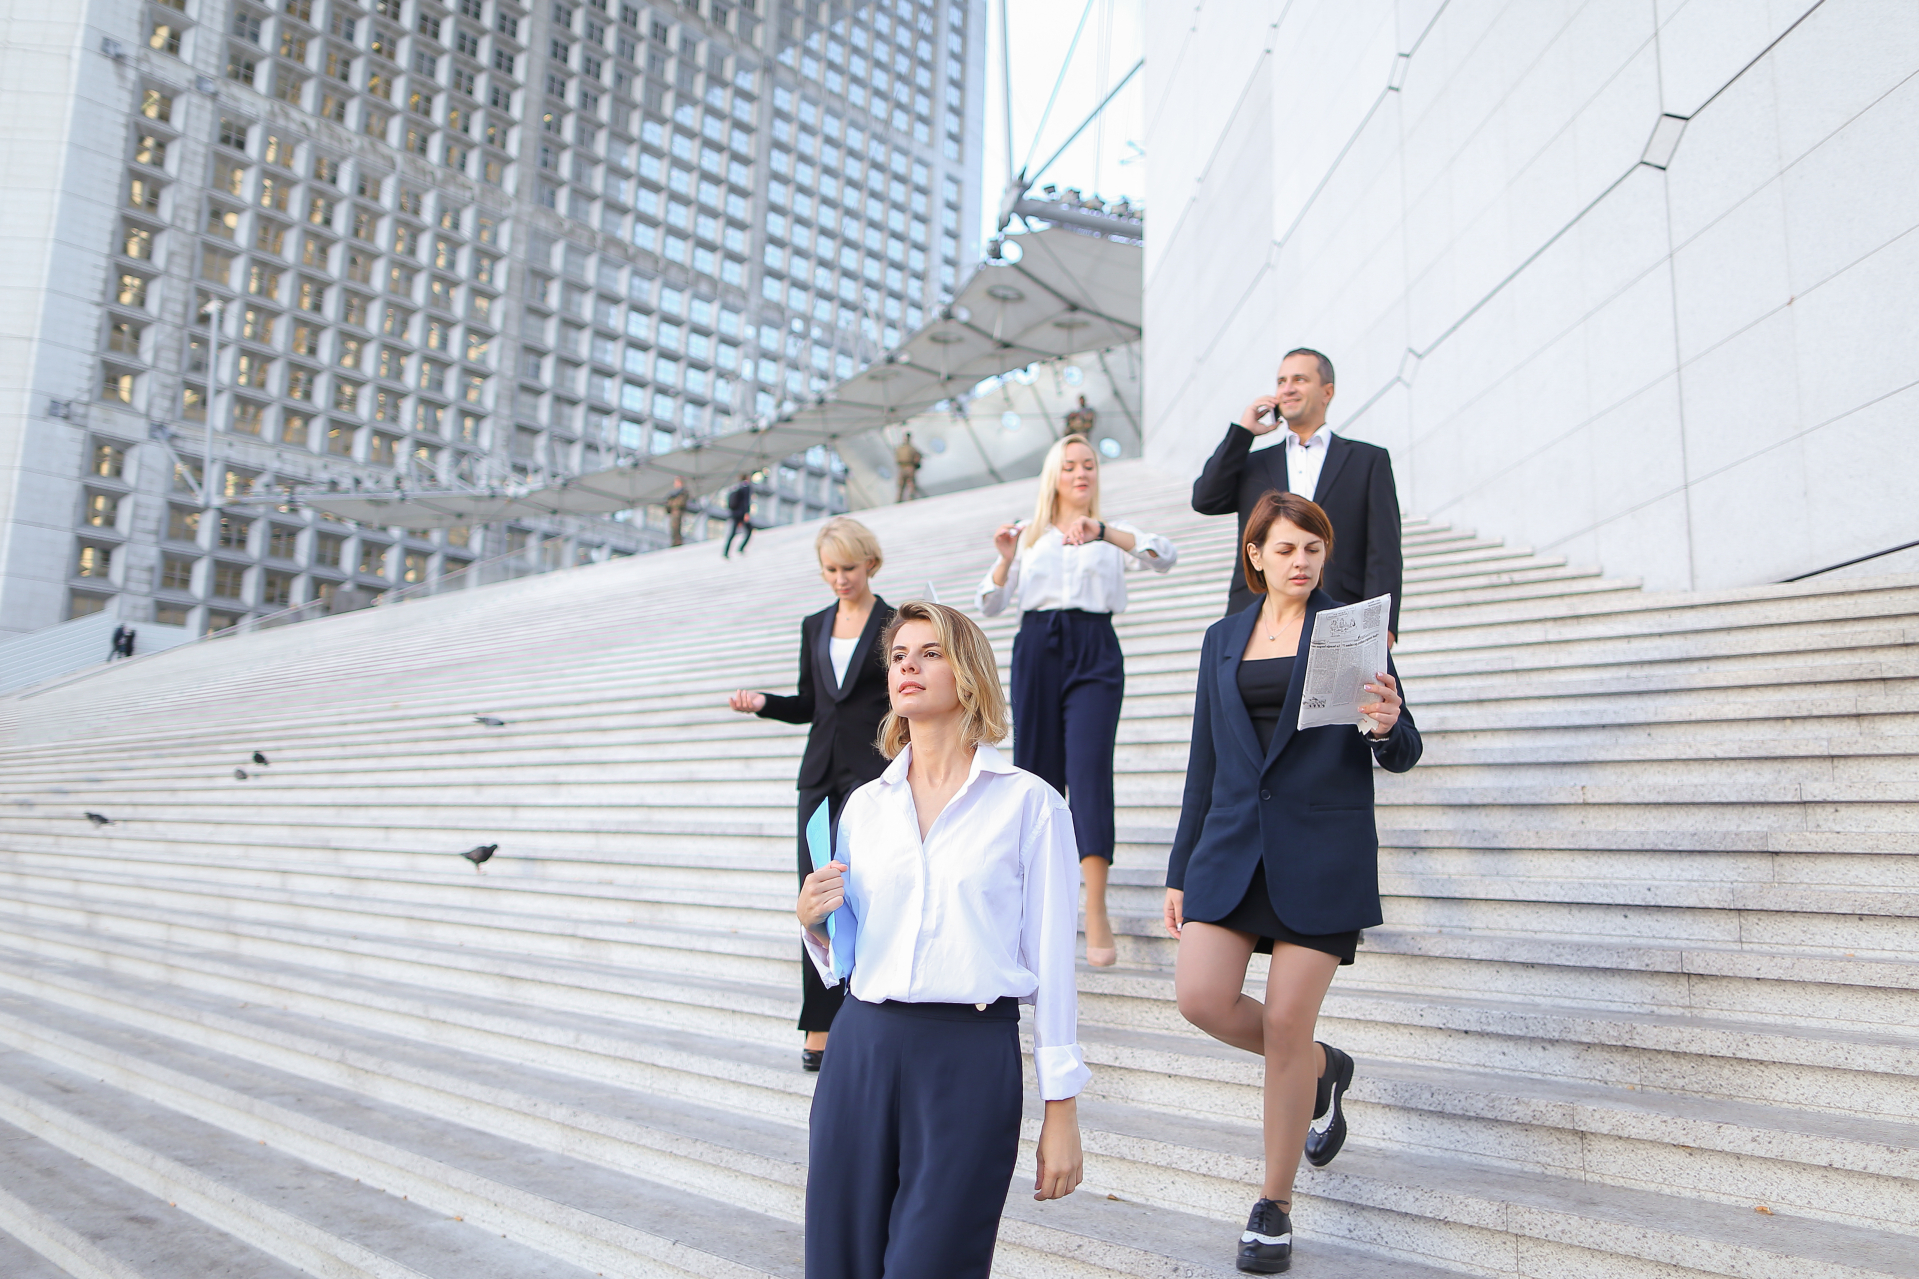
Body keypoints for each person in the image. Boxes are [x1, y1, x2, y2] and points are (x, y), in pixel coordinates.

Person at [1163, 491, 1421, 1274]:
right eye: (1285, 549)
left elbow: (1404, 745)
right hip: (1231, 845)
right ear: (1255, 555)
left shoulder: (1351, 632)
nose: (1301, 562)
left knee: (1282, 1022)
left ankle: (1271, 1205)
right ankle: (1320, 1067)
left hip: (1321, 849)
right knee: (1199, 997)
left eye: (1312, 548)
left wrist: (1384, 725)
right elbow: (1204, 759)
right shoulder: (1221, 637)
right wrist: (1180, 870)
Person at [797, 600, 1086, 1277]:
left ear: (967, 672)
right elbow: (849, 953)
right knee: (839, 1263)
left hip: (968, 1056)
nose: (908, 665)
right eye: (899, 655)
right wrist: (811, 920)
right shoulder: (864, 807)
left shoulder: (1029, 804)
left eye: (928, 653)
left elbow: (1053, 965)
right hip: (860, 1049)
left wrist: (1061, 1107)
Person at [979, 432, 1177, 967]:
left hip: (1095, 648)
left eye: (1088, 463)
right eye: (1069, 465)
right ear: (1055, 474)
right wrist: (1003, 558)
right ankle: (1032, 905)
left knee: (1089, 771)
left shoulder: (1113, 534)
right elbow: (992, 602)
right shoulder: (1028, 534)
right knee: (1036, 774)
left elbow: (1166, 555)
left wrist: (1105, 533)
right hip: (1037, 646)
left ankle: (1095, 909)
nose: (1080, 472)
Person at [728, 518, 893, 1071]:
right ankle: (819, 1020)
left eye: (848, 568)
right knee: (816, 895)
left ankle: (867, 1004)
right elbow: (811, 702)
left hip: (874, 771)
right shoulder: (814, 624)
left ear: (869, 561)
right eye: (830, 570)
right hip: (820, 774)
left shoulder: (895, 623)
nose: (840, 579)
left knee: (868, 890)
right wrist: (764, 703)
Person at [1192, 348, 1404, 639]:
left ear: (1326, 391)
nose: (1287, 389)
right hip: (1258, 614)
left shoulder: (1367, 460)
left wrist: (1385, 626)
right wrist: (1242, 433)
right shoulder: (1254, 464)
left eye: (1299, 379)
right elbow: (1205, 498)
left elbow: (1385, 551)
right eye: (1281, 382)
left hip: (1342, 615)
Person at [723, 473, 754, 557]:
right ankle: (741, 548)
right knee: (749, 531)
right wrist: (746, 513)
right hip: (742, 513)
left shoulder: (737, 487)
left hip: (734, 514)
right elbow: (746, 502)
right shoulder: (746, 487)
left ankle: (726, 552)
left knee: (732, 533)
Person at [894, 431, 923, 502]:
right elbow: (917, 457)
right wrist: (917, 464)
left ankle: (901, 499)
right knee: (909, 484)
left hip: (903, 467)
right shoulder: (911, 448)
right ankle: (909, 498)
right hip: (909, 467)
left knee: (902, 484)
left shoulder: (900, 448)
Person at [663, 478, 689, 547]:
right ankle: (674, 542)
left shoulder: (683, 493)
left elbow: (679, 503)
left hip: (677, 513)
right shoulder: (674, 494)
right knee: (673, 528)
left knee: (676, 527)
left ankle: (677, 542)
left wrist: (672, 503)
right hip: (674, 513)